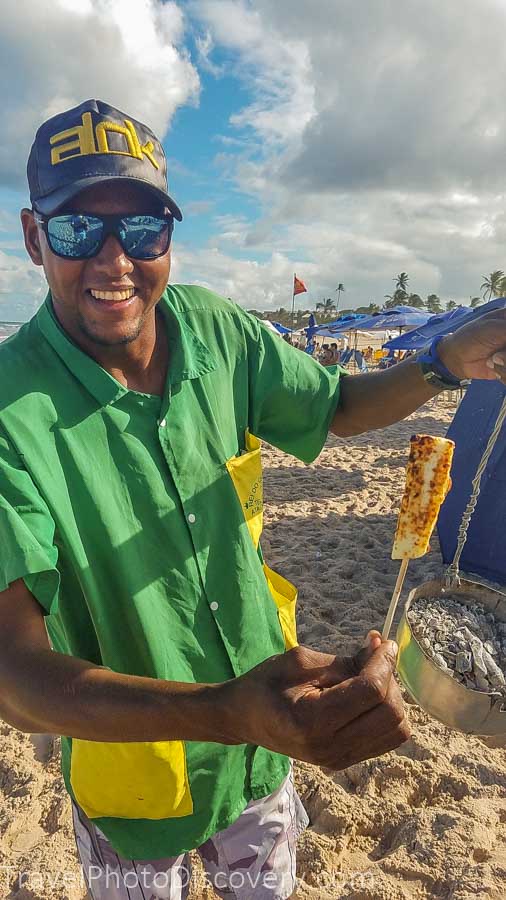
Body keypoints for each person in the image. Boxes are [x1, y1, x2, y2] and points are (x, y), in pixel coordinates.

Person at [1, 99, 506, 900]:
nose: (113, 262)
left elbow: (336, 404)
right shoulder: (9, 414)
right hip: (134, 786)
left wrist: (445, 361)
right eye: (75, 231)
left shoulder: (218, 331)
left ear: (168, 234)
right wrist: (228, 711)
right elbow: (15, 674)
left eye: (140, 230)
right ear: (34, 238)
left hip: (266, 749)